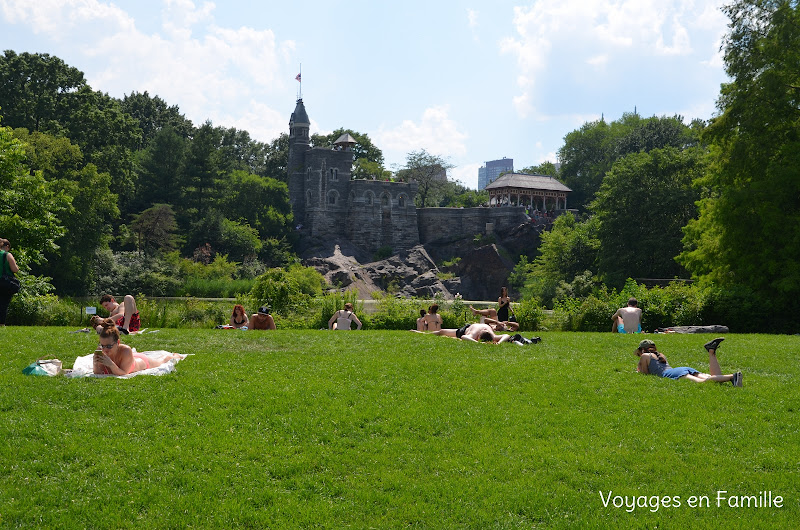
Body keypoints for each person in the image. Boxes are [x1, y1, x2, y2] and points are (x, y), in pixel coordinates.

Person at [635, 338, 742, 386]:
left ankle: (732, 377)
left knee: (702, 382)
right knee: (710, 377)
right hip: (680, 369)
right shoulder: (661, 355)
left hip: (673, 373)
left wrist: (638, 371)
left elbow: (646, 374)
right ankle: (711, 351)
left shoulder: (645, 355)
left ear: (643, 349)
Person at [93, 321, 181, 375]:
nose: (105, 350)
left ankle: (174, 356)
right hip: (131, 358)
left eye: (109, 346)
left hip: (141, 362)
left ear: (118, 343)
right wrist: (95, 363)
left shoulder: (126, 350)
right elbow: (98, 373)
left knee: (162, 360)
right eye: (102, 345)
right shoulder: (102, 351)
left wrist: (111, 365)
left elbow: (124, 373)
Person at [0, 238, 20, 326]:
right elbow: (14, 269)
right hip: (4, 282)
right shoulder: (7, 255)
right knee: (3, 304)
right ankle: (1, 324)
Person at [431, 322, 511, 343]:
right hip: (466, 329)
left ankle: (426, 333)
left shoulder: (492, 336)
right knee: (442, 331)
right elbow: (463, 337)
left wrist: (499, 343)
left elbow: (507, 335)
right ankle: (426, 333)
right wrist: (477, 342)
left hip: (475, 326)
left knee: (442, 331)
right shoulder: (475, 333)